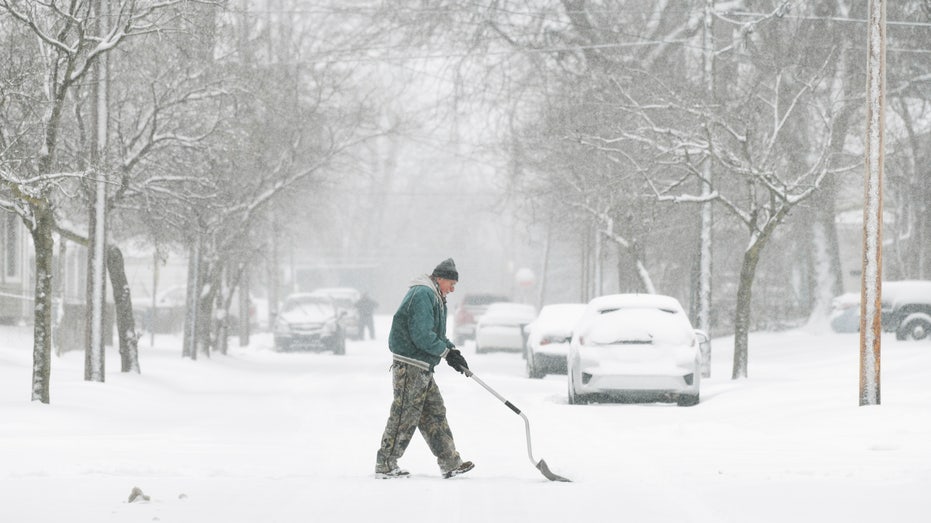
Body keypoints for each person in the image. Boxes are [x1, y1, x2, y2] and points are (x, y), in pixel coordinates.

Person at [374, 258, 474, 479]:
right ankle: (385, 464)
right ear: (440, 278)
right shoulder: (423, 294)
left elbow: (435, 335)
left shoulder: (435, 296)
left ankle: (450, 462)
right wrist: (445, 353)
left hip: (422, 365)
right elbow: (421, 335)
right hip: (410, 364)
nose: (453, 289)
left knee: (434, 413)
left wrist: (452, 352)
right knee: (404, 414)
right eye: (451, 283)